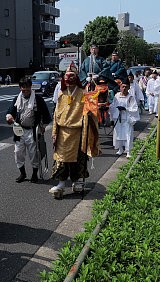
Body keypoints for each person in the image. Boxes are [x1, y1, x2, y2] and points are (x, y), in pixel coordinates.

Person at [49, 62, 100, 198]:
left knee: (77, 158)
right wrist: (54, 131)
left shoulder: (84, 93)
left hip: (78, 132)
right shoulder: (61, 93)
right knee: (61, 159)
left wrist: (90, 112)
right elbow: (56, 114)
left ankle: (77, 180)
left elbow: (93, 112)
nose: (69, 82)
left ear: (76, 78)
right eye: (67, 78)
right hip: (62, 132)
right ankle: (61, 183)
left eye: (72, 78)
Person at [6, 77, 52, 183]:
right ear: (20, 88)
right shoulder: (17, 99)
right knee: (18, 152)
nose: (24, 90)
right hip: (19, 129)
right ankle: (22, 173)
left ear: (30, 87)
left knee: (34, 153)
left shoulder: (38, 99)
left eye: (26, 87)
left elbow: (46, 114)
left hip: (32, 130)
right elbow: (10, 111)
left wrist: (43, 126)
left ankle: (35, 174)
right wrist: (9, 117)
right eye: (22, 87)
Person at [109, 78, 140, 158]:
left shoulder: (130, 97)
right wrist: (113, 109)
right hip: (118, 117)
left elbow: (134, 108)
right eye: (123, 87)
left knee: (128, 134)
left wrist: (126, 109)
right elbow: (113, 105)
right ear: (120, 87)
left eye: (126, 87)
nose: (124, 88)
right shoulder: (117, 96)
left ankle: (128, 151)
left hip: (127, 118)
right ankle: (120, 149)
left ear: (129, 88)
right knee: (118, 134)